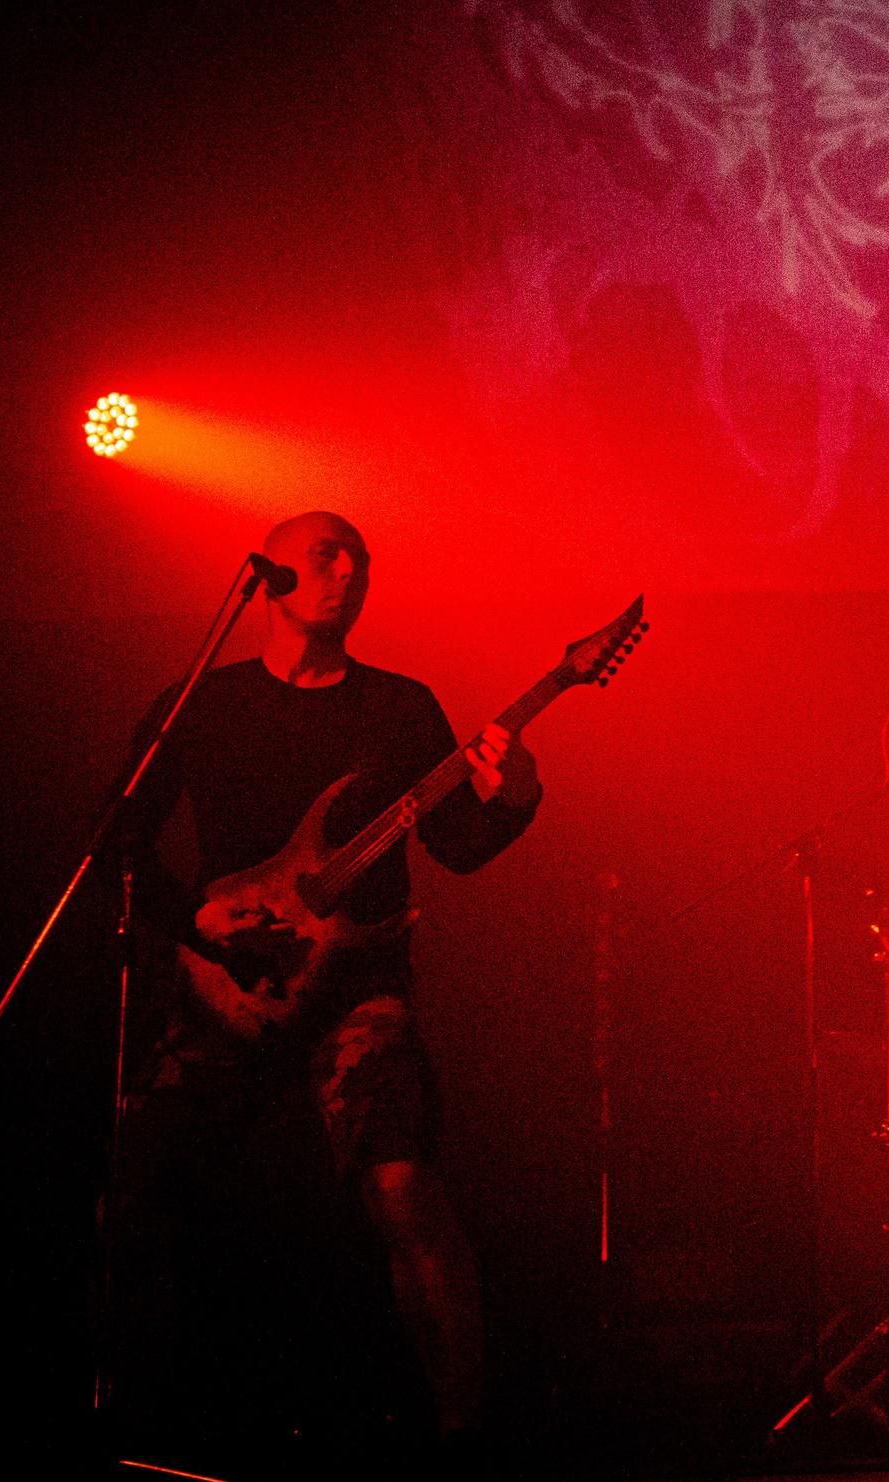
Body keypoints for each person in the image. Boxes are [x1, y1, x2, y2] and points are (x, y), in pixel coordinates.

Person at [108, 512, 541, 1465]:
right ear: (267, 577)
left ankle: (464, 1437)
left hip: (358, 989)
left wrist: (514, 795)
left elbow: (458, 849)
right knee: (132, 1189)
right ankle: (131, 1422)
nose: (350, 571)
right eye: (325, 555)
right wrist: (196, 922)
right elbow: (120, 840)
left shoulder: (400, 706)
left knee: (405, 1184)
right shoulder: (202, 703)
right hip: (229, 984)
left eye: (361, 561)